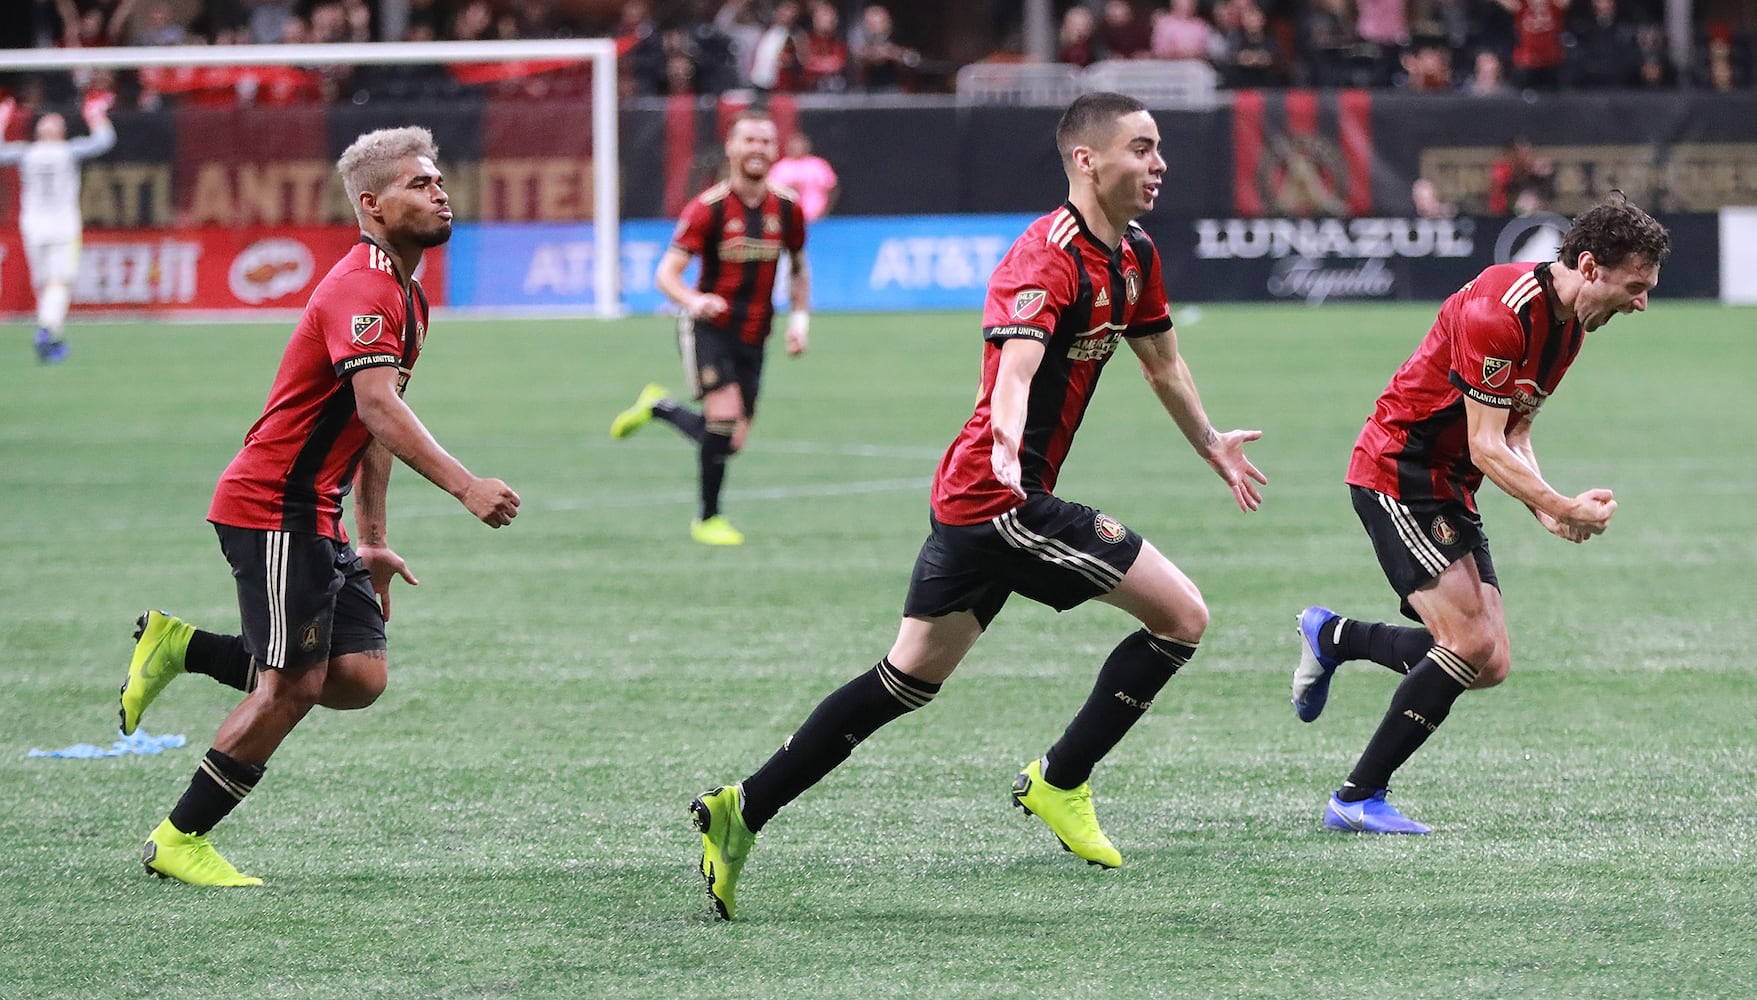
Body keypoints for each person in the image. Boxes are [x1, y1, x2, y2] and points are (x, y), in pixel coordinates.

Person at [688, 91, 1266, 921]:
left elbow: (1162, 365)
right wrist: (1004, 444)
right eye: (1141, 148)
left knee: (905, 680)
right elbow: (1015, 371)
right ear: (1087, 160)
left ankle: (744, 807)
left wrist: (1209, 441)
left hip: (977, 498)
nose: (1158, 163)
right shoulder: (1044, 258)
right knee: (1181, 618)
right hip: (1004, 499)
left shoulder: (1133, 253)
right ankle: (1060, 781)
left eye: (1159, 148)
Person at [119, 126, 521, 886]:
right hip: (271, 504)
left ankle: (180, 646)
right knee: (294, 684)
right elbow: (377, 408)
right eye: (417, 184)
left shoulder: (408, 295)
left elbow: (373, 426)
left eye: (438, 180)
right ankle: (178, 838)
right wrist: (466, 486)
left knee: (358, 676)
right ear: (371, 206)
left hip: (317, 511)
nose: (438, 191)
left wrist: (371, 538)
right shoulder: (361, 286)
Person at [1290, 194, 1669, 834]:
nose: (1642, 303)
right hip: (1397, 471)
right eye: (1635, 286)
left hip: (1450, 483)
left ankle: (1334, 636)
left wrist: (1547, 510)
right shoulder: (1501, 312)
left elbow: (1515, 432)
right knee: (1466, 643)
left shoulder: (1571, 328)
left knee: (1488, 663)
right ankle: (1356, 797)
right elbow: (1484, 443)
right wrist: (1557, 504)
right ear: (1590, 264)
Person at [608, 109, 810, 547]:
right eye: (749, 141)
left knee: (731, 439)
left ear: (775, 151)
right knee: (722, 418)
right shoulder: (709, 209)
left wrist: (799, 321)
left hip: (756, 334)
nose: (757, 149)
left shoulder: (789, 208)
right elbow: (666, 274)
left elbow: (797, 267)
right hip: (709, 330)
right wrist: (694, 301)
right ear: (732, 148)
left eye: (765, 141)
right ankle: (708, 519)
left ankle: (659, 407)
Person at [0, 93, 114, 363]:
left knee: (46, 283)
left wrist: (2, 121)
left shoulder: (27, 153)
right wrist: (95, 116)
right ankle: (46, 331)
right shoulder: (68, 151)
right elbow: (104, 141)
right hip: (63, 227)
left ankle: (49, 336)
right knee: (57, 283)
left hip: (34, 227)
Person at [766, 131, 837, 222]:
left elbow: (831, 189)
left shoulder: (818, 165)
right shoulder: (780, 167)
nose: (797, 149)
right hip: (786, 219)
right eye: (794, 146)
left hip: (816, 219)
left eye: (799, 145)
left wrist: (825, 212)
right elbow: (769, 191)